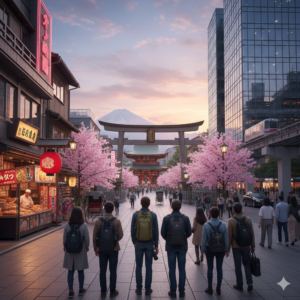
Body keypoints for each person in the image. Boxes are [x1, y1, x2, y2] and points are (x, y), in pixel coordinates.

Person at [161, 200, 192, 298]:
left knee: (172, 269)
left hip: (170, 247)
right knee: (182, 269)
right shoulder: (185, 218)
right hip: (182, 246)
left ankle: (173, 291)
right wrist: (182, 238)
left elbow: (162, 233)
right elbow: (189, 232)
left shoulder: (166, 218)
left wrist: (170, 239)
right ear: (180, 206)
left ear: (171, 206)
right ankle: (182, 291)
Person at [93, 202, 123, 298]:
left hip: (101, 249)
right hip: (114, 248)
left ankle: (103, 291)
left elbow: (95, 236)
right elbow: (121, 235)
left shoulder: (98, 221)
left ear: (104, 209)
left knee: (102, 270)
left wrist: (96, 248)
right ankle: (112, 291)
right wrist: (113, 241)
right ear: (113, 209)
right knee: (113, 270)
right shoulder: (117, 221)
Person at [131, 196, 159, 295]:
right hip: (149, 243)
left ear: (140, 203)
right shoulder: (153, 215)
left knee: (138, 266)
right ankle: (148, 288)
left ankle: (139, 288)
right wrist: (156, 245)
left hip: (138, 243)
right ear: (149, 204)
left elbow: (132, 229)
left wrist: (134, 241)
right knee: (149, 266)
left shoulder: (135, 214)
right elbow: (156, 231)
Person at [201, 207, 229, 296]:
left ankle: (209, 287)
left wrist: (202, 250)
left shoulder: (206, 225)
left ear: (210, 214)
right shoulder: (223, 224)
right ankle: (218, 287)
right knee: (219, 268)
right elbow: (226, 238)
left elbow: (204, 239)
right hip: (220, 249)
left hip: (210, 249)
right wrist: (227, 249)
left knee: (210, 268)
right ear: (219, 214)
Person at [227, 203, 255, 291]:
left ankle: (239, 284)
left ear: (233, 210)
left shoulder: (231, 220)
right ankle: (249, 282)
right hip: (246, 245)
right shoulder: (248, 219)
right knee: (246, 264)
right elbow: (252, 234)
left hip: (236, 246)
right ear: (241, 209)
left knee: (238, 265)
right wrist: (252, 246)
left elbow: (229, 236)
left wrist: (227, 249)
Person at [63, 207, 89, 298]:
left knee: (70, 270)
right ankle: (81, 289)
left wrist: (65, 247)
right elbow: (87, 239)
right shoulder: (84, 225)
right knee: (80, 270)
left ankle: (70, 291)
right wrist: (86, 248)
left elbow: (64, 239)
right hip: (80, 250)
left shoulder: (67, 225)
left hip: (69, 250)